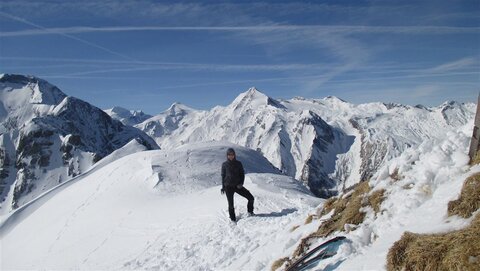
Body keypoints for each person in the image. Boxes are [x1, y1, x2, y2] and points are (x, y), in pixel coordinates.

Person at [221, 148, 254, 222]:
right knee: (231, 205)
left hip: (237, 186)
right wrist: (223, 187)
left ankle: (250, 212)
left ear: (234, 155)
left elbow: (242, 174)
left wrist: (241, 184)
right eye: (229, 154)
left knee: (251, 198)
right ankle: (233, 220)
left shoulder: (238, 163)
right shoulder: (224, 165)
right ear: (227, 155)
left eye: (232, 154)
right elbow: (223, 176)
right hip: (228, 187)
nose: (231, 156)